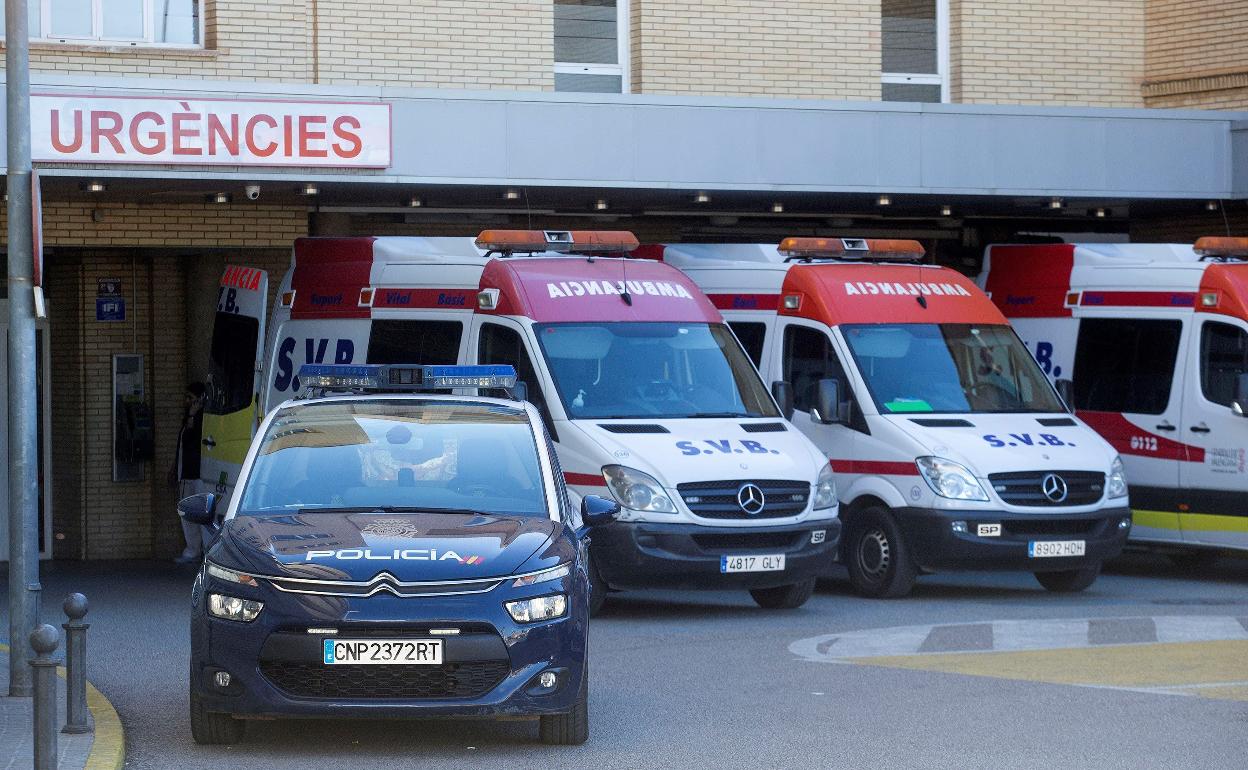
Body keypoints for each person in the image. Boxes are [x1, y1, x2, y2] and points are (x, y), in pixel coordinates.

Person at [170, 382, 208, 564]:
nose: (187, 402)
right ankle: (192, 549)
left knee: (203, 514)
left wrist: (193, 415)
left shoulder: (202, 420)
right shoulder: (187, 419)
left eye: (190, 398)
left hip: (198, 473)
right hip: (185, 474)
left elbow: (194, 440)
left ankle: (202, 550)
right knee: (187, 515)